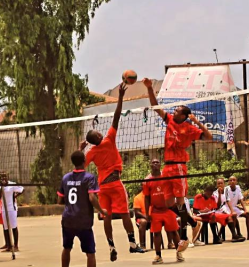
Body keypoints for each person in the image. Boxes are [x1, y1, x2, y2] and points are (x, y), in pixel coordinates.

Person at [143, 77, 212, 245]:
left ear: (184, 115)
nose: (173, 112)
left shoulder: (189, 128)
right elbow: (155, 106)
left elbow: (209, 137)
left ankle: (186, 235)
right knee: (169, 203)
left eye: (177, 111)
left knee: (180, 202)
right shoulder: (170, 121)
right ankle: (194, 223)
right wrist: (150, 88)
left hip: (179, 167)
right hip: (167, 167)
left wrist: (198, 122)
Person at [82, 82, 144, 260]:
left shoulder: (91, 152)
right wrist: (121, 97)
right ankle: (132, 244)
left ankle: (111, 246)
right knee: (125, 213)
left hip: (102, 186)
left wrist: (81, 149)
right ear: (99, 137)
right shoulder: (109, 139)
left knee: (106, 216)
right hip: (115, 183)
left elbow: (80, 166)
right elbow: (117, 116)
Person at [58, 151, 108, 267]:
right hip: (83, 221)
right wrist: (101, 210)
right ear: (84, 161)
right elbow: (92, 198)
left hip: (68, 220)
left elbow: (59, 201)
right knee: (90, 252)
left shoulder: (66, 178)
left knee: (66, 248)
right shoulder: (89, 178)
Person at [144, 158, 186, 264]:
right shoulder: (147, 180)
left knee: (174, 232)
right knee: (156, 234)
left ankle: (178, 253)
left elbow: (174, 189)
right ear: (150, 165)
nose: (155, 164)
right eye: (153, 162)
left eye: (157, 162)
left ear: (160, 165)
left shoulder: (166, 176)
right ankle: (158, 256)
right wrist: (146, 213)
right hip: (155, 211)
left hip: (169, 209)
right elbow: (146, 198)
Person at [0, 172, 24, 252]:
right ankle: (8, 246)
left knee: (14, 227)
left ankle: (16, 245)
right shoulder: (0, 186)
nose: (3, 179)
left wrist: (16, 195)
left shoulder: (12, 184)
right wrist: (2, 187)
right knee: (6, 227)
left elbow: (22, 189)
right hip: (4, 209)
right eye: (2, 178)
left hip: (12, 208)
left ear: (7, 177)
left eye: (5, 177)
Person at [223, 176, 249, 240]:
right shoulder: (226, 189)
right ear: (228, 182)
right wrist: (232, 211)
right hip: (227, 207)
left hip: (234, 207)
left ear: (236, 181)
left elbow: (241, 200)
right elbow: (227, 201)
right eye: (230, 180)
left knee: (248, 214)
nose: (232, 181)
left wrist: (245, 210)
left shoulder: (238, 188)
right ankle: (234, 235)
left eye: (234, 180)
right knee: (233, 215)